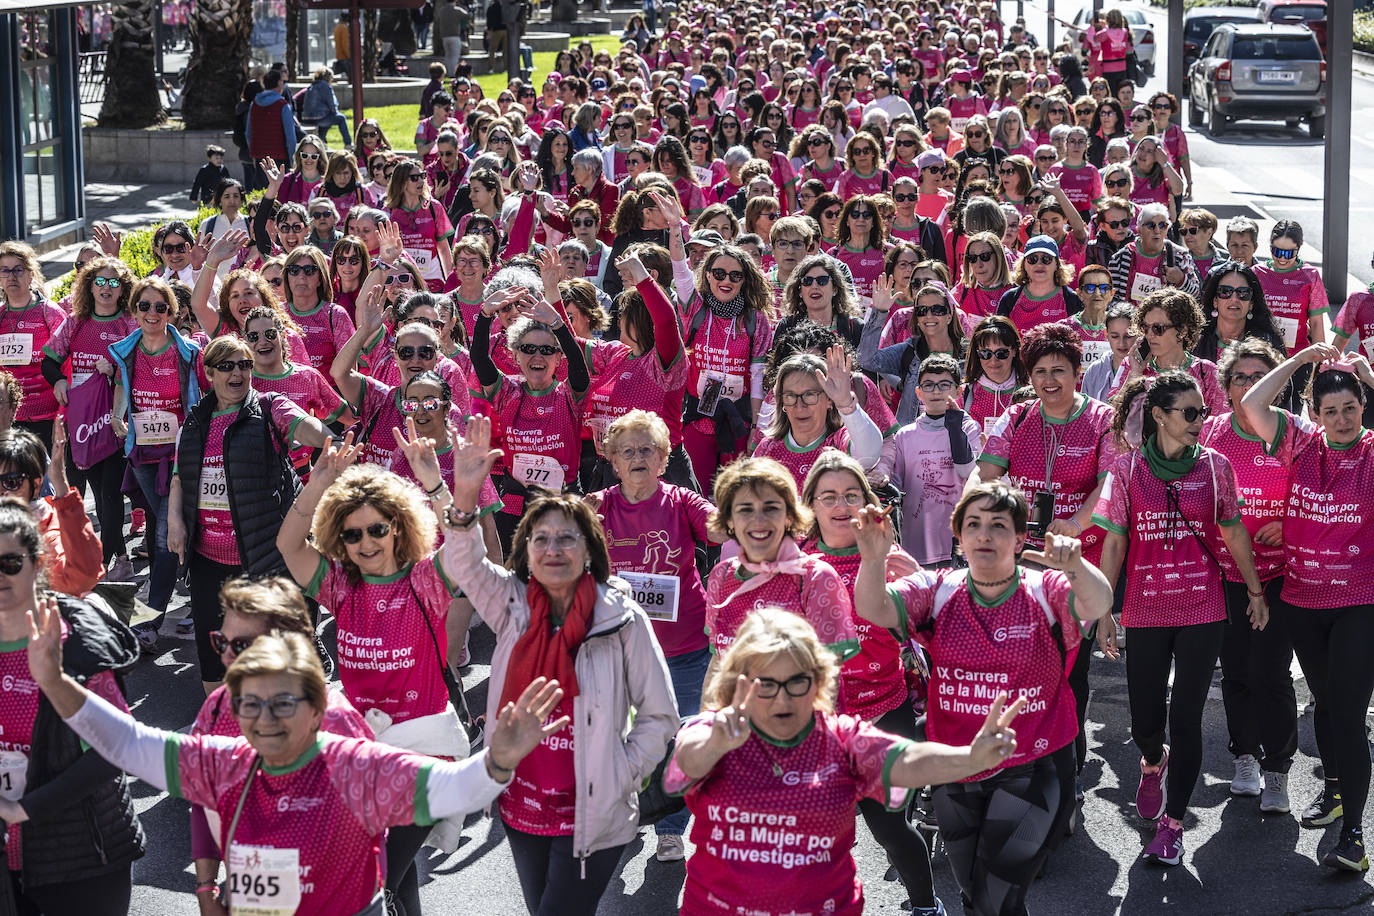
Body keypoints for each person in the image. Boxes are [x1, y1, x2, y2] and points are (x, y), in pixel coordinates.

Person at [19, 596, 567, 916]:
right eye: (249, 704)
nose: (263, 720)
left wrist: (498, 761)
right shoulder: (224, 758)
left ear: (316, 701)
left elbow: (456, 789)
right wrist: (55, 681)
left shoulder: (357, 766)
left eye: (283, 702)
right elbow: (127, 742)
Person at [440, 416, 680, 913]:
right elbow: (463, 561)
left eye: (567, 539)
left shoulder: (621, 616)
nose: (553, 549)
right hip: (521, 808)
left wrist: (623, 772)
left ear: (590, 550)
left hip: (596, 814)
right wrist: (464, 493)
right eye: (540, 539)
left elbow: (661, 716)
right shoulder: (510, 605)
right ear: (524, 550)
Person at [853, 482, 1113, 914]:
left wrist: (1077, 568)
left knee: (993, 898)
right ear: (959, 537)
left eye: (998, 525)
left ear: (1020, 537)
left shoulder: (1045, 590)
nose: (985, 535)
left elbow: (1098, 601)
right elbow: (873, 608)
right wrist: (874, 557)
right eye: (973, 525)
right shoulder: (937, 590)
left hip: (1033, 765)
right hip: (957, 768)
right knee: (980, 895)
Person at [667, 605, 1022, 916]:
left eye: (797, 681)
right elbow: (683, 769)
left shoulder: (840, 738)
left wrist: (971, 757)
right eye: (766, 683)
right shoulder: (715, 730)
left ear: (819, 681)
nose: (783, 698)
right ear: (739, 683)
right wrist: (716, 745)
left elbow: (907, 759)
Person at [278, 434, 480, 914]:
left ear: (398, 527)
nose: (366, 542)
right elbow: (288, 543)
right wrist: (319, 482)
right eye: (352, 534)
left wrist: (435, 483)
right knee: (398, 877)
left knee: (369, 872)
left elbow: (467, 548)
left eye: (376, 530)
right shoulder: (339, 585)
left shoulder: (427, 580)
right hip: (365, 753)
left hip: (425, 755)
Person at [1093, 370, 1268, 866]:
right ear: (1160, 416)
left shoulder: (1216, 467)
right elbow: (1115, 542)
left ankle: (1173, 825)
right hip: (1146, 609)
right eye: (1189, 413)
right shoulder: (1127, 472)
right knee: (1146, 721)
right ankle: (1153, 761)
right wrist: (1106, 610)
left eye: (1202, 412)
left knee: (1185, 719)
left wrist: (1254, 590)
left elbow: (1233, 533)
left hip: (1202, 608)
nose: (1200, 421)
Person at [1239, 345, 1374, 871]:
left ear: (1363, 407)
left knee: (1346, 711)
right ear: (1315, 413)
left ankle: (1355, 837)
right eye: (1331, 410)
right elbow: (1252, 404)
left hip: (1359, 603)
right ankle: (1336, 790)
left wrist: (1367, 373)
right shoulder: (1300, 444)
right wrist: (1297, 363)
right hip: (1300, 600)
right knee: (1323, 702)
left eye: (1351, 408)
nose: (1341, 420)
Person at [187, 576, 372, 902]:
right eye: (221, 642)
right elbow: (203, 801)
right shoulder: (216, 708)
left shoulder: (336, 721)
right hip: (255, 887)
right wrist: (206, 888)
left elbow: (369, 830)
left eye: (242, 645)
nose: (228, 657)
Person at [0, 502, 143, 914]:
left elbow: (112, 751)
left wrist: (23, 810)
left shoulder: (76, 638)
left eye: (10, 562)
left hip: (82, 854)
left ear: (38, 562)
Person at [169, 333, 331, 691]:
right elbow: (181, 475)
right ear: (209, 373)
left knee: (277, 652)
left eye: (244, 364)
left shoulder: (269, 406)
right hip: (208, 559)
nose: (238, 373)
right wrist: (174, 521)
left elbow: (300, 422)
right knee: (214, 654)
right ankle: (220, 729)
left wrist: (324, 436)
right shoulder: (195, 421)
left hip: (263, 554)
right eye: (227, 366)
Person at [585, 410, 713, 861]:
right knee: (615, 733)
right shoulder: (596, 506)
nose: (637, 457)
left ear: (663, 459)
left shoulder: (682, 501)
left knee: (675, 737)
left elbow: (718, 526)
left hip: (684, 648)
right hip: (617, 648)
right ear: (613, 461)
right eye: (627, 451)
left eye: (647, 450)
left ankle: (672, 826)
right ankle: (623, 806)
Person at [1198, 339, 1299, 813]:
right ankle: (1245, 758)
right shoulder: (1211, 433)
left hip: (1280, 573)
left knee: (1272, 672)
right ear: (1227, 385)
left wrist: (1292, 523)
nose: (1250, 384)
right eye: (1241, 376)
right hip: (1224, 573)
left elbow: (1321, 491)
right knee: (1236, 672)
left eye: (1261, 376)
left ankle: (1278, 768)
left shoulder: (1293, 431)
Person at [110, 276, 202, 647]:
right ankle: (194, 591)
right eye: (145, 306)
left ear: (171, 312)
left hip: (179, 456)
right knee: (163, 527)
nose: (152, 313)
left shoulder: (187, 352)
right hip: (143, 454)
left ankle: (148, 620)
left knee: (165, 534)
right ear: (135, 310)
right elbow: (121, 385)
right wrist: (118, 415)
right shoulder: (127, 351)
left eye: (160, 307)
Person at [470, 277, 589, 547]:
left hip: (563, 500)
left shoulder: (569, 395)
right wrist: (485, 314)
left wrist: (558, 324)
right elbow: (479, 358)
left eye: (547, 350)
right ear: (515, 355)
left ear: (559, 359)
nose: (537, 356)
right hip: (515, 502)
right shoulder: (507, 392)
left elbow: (580, 371)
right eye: (528, 349)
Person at [40, 256, 137, 581]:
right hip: (80, 422)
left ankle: (107, 561)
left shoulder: (129, 324)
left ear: (123, 289)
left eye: (114, 282)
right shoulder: (76, 321)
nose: (106, 288)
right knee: (76, 490)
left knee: (110, 494)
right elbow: (48, 361)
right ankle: (86, 556)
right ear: (89, 285)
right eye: (100, 281)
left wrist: (116, 372)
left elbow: (140, 369)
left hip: (115, 421)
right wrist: (59, 381)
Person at [875, 353, 981, 566]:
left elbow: (966, 472)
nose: (936, 391)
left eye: (944, 385)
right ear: (918, 392)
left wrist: (954, 426)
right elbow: (896, 485)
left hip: (956, 540)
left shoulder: (968, 427)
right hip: (916, 541)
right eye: (929, 385)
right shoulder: (905, 435)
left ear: (958, 390)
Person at [752, 347, 883, 491]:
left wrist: (845, 402)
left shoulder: (839, 443)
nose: (799, 405)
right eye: (790, 395)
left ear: (829, 400)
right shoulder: (768, 447)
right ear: (782, 402)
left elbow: (870, 454)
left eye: (809, 395)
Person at [1113, 288, 1227, 415]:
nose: (1149, 335)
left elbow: (1218, 425)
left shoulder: (1207, 372)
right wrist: (1134, 376)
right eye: (1145, 327)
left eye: (1158, 328)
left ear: (1182, 331)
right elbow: (1110, 417)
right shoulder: (1131, 365)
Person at [0, 241, 65, 450]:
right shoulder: (0, 315)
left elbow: (66, 365)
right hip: (8, 417)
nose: (11, 276)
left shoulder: (50, 313)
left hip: (47, 417)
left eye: (18, 270)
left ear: (31, 275)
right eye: (5, 270)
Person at [997, 235, 1084, 334]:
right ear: (1024, 264)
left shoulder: (1070, 299)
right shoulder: (1009, 299)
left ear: (1057, 264)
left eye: (1046, 259)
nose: (1039, 264)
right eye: (1032, 259)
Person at [246, 69, 297, 170]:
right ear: (279, 83)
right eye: (283, 81)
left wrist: (254, 154)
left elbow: (248, 133)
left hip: (260, 158)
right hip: (280, 160)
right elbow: (290, 137)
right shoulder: (283, 105)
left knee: (262, 186)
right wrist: (293, 161)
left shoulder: (254, 104)